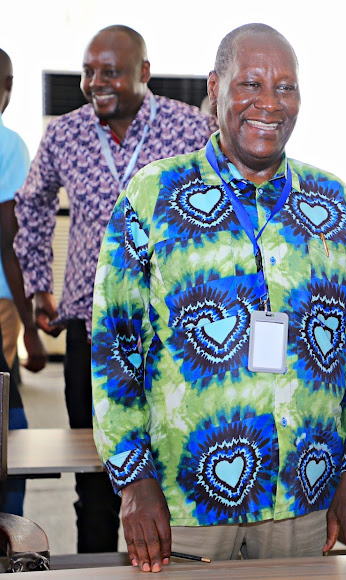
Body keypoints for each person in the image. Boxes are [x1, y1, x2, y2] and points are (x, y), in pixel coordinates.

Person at [91, 23, 346, 572]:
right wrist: (134, 481)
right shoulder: (153, 195)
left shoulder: (335, 205)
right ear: (215, 89)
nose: (269, 103)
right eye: (250, 84)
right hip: (183, 504)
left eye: (285, 87)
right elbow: (115, 351)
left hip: (307, 500)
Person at [13, 25, 218, 553]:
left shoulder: (190, 128)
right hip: (92, 327)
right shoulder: (65, 133)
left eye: (109, 71)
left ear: (143, 74)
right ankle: (99, 567)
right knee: (95, 472)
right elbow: (31, 207)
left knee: (172, 461)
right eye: (88, 71)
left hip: (173, 331)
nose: (94, 82)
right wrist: (38, 287)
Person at [0, 47, 43, 516]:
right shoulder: (8, 143)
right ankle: (10, 530)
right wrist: (29, 326)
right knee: (9, 425)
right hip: (2, 299)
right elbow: (9, 235)